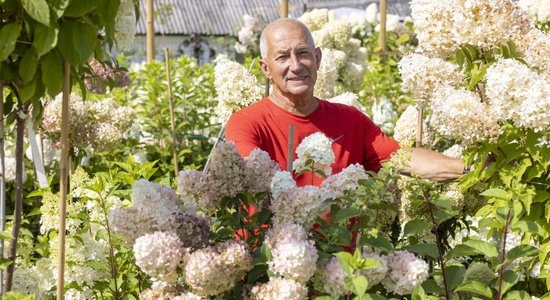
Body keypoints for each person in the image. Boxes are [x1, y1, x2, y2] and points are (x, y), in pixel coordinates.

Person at [226, 18, 467, 187]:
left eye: (302, 53)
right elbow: (251, 179)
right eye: (282, 57)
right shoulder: (246, 123)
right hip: (273, 257)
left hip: (341, 259)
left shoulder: (350, 120)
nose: (296, 65)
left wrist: (472, 168)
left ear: (317, 58)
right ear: (266, 68)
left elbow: (405, 160)